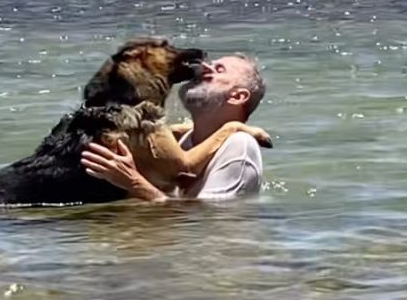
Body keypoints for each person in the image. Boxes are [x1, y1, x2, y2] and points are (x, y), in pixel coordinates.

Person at [81, 53, 267, 203]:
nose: (203, 67)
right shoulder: (185, 141)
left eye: (219, 70)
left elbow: (210, 221)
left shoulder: (239, 145)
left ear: (237, 96)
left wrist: (134, 182)